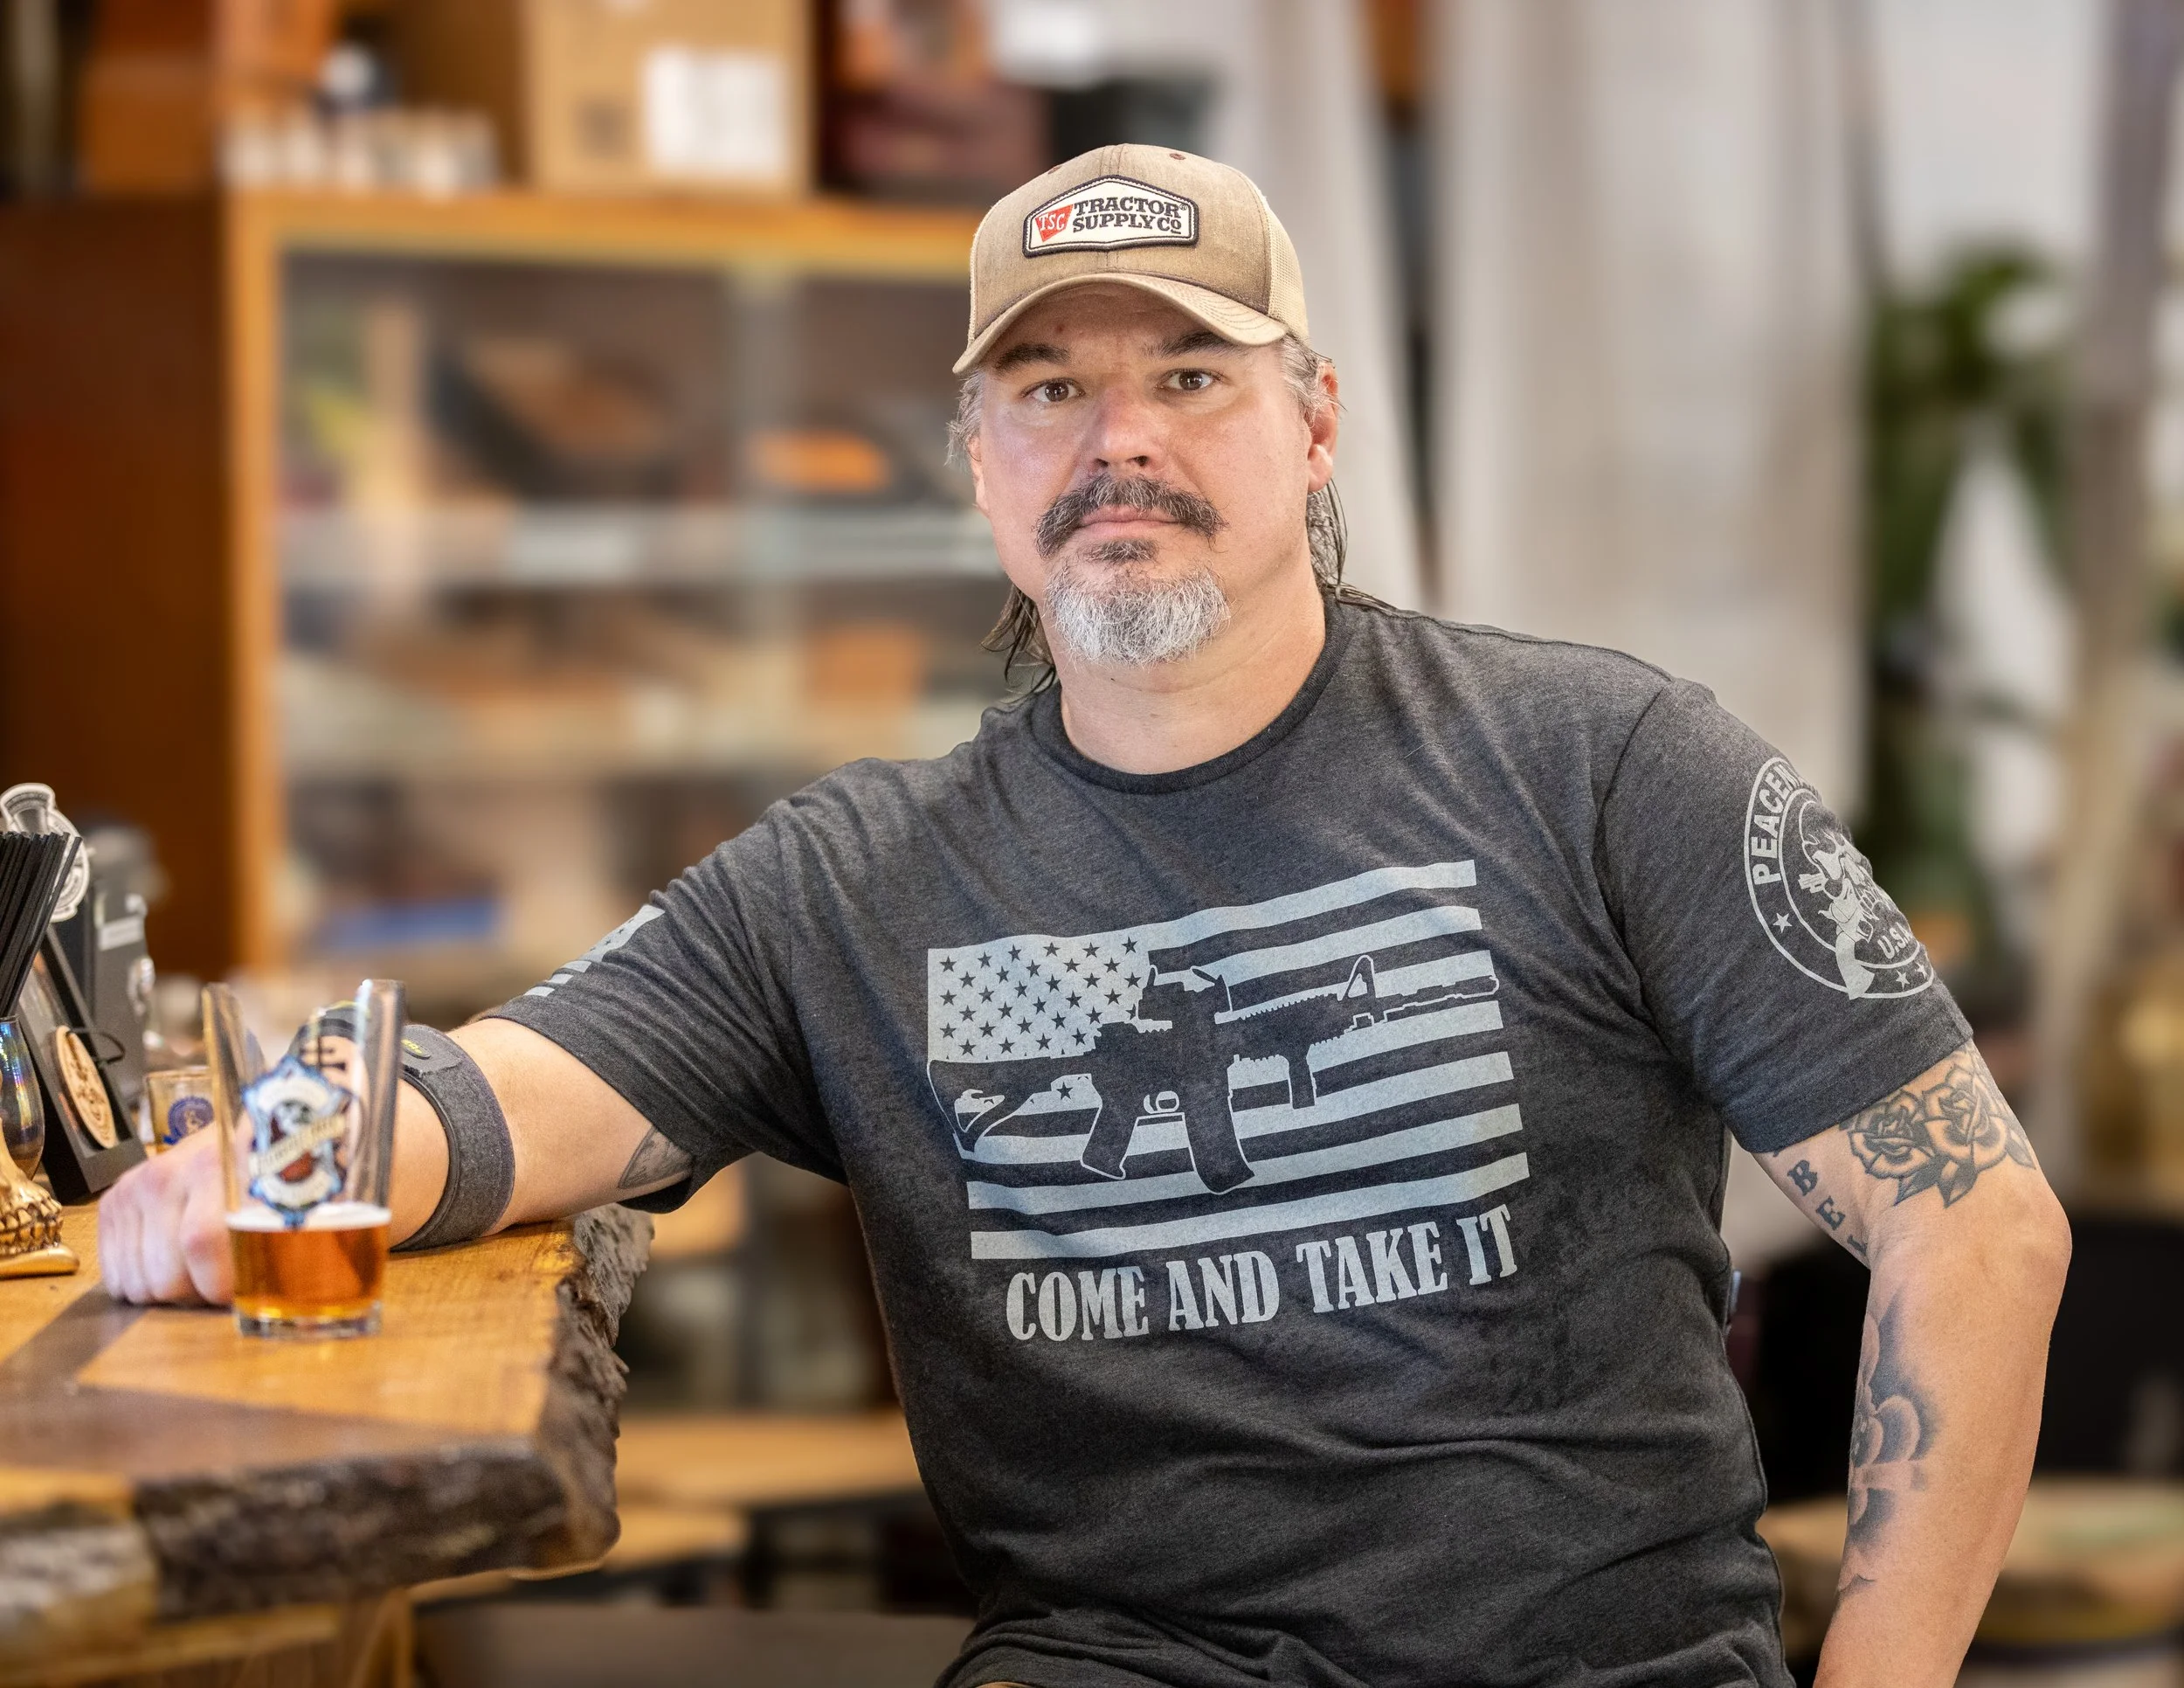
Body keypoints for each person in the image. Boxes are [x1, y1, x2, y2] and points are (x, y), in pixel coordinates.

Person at [101, 145, 2070, 1688]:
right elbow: (522, 1088)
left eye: (1188, 377)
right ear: (979, 463)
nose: (1118, 437)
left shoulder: (1606, 764)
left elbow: (1976, 1225)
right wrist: (280, 1157)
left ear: (1313, 425)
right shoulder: (854, 878)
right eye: (1049, 386)